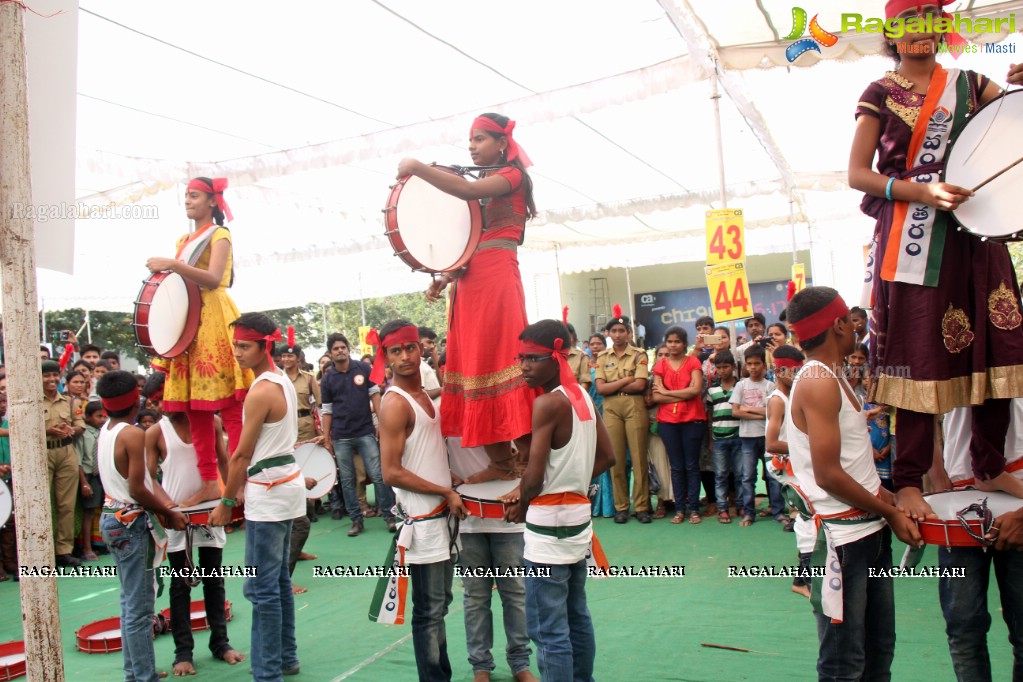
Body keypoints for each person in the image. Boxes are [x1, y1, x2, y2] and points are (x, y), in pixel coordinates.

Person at [849, 0, 1023, 518]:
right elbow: (858, 174)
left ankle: (989, 465)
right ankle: (909, 481)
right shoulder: (879, 93)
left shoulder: (971, 83)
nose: (923, 30)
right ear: (892, 32)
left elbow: (1011, 128)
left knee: (998, 341)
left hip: (975, 237)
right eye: (911, 20)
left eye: (931, 18)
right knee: (917, 353)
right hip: (913, 240)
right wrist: (920, 193)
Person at [786, 286, 922, 681]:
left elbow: (855, 466)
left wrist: (897, 502)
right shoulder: (818, 380)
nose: (860, 326)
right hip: (846, 542)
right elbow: (828, 474)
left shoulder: (837, 376)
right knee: (844, 661)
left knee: (879, 650)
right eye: (852, 319)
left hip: (870, 532)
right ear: (839, 324)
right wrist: (891, 513)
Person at [400, 112, 537, 481]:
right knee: (474, 365)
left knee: (502, 362)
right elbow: (468, 239)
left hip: (496, 280)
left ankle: (527, 463)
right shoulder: (490, 179)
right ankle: (501, 462)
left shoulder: (512, 175)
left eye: (479, 139)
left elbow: (468, 191)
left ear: (502, 143)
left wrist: (417, 167)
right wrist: (445, 277)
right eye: (471, 140)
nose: (471, 147)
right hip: (470, 281)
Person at [506, 319, 615, 682]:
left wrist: (521, 504)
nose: (523, 366)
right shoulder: (581, 394)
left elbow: (533, 477)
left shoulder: (548, 405)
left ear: (556, 358)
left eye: (531, 358)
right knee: (576, 616)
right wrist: (574, 483)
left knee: (549, 629)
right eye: (520, 358)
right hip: (578, 523)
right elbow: (607, 458)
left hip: (547, 531)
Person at [146, 177, 253, 508]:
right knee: (194, 409)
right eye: (186, 196)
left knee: (231, 408)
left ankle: (239, 482)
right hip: (187, 322)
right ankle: (209, 482)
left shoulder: (220, 234)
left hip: (213, 321)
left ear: (211, 201)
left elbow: (216, 278)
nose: (188, 201)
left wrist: (173, 263)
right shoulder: (184, 239)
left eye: (194, 195)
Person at [210, 312, 305, 681]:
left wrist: (226, 502)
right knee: (277, 579)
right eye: (235, 345)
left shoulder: (262, 390)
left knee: (260, 587)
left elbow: (241, 455)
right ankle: (285, 657)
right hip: (284, 485)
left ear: (266, 345)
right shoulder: (280, 380)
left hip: (268, 491)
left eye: (245, 346)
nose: (237, 352)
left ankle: (267, 673)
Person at [377, 319, 469, 682]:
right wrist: (445, 490)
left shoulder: (425, 397)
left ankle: (439, 675)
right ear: (385, 357)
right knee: (430, 611)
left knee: (439, 605)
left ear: (422, 348)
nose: (405, 357)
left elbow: (426, 453)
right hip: (423, 521)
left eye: (410, 348)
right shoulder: (395, 404)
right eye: (395, 351)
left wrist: (450, 480)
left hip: (441, 517)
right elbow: (391, 472)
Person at [96, 370, 187, 682]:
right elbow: (137, 488)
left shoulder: (106, 430)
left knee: (129, 603)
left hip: (112, 517)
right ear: (136, 401)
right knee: (139, 608)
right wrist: (168, 512)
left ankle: (135, 673)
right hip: (130, 522)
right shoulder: (132, 434)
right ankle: (144, 677)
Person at [145, 404, 243, 675]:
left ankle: (220, 644)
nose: (161, 403)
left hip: (210, 509)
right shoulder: (156, 432)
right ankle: (183, 653)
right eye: (156, 399)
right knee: (180, 585)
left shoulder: (210, 421)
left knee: (214, 580)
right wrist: (167, 508)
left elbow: (223, 460)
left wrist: (231, 496)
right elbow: (149, 478)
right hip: (176, 513)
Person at [937, 400, 1023, 680]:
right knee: (962, 626)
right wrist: (936, 475)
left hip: (1019, 501)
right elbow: (922, 413)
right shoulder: (950, 356)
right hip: (957, 503)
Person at [448, 436, 538, 682]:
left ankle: (520, 663)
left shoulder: (508, 400)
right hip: (467, 516)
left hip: (508, 514)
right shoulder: (443, 406)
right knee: (476, 596)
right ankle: (480, 666)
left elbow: (531, 450)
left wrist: (522, 488)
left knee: (515, 593)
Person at [320, 332, 396, 535]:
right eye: (335, 349)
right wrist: (326, 438)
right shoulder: (327, 380)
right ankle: (356, 519)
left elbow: (375, 395)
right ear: (330, 353)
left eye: (342, 347)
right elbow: (326, 410)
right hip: (340, 436)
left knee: (378, 475)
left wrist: (382, 422)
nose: (340, 351)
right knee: (346, 480)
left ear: (348, 349)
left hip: (365, 432)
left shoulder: (363, 368)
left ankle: (389, 515)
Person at [595, 308, 651, 523]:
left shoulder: (639, 354)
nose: (618, 335)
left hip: (633, 406)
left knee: (638, 459)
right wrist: (626, 380)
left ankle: (642, 506)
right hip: (611, 408)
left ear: (629, 332)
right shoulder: (601, 357)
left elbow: (640, 384)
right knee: (616, 460)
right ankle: (621, 507)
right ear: (608, 333)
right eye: (614, 331)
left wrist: (616, 385)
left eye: (622, 330)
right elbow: (600, 389)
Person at [651, 326, 706, 524]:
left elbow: (696, 390)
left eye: (677, 342)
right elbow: (656, 395)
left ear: (684, 343)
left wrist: (667, 393)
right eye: (670, 341)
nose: (673, 345)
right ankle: (680, 509)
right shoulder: (661, 365)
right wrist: (672, 393)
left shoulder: (693, 361)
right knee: (676, 466)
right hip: (668, 422)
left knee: (691, 465)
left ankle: (694, 510)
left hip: (692, 419)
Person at [42, 359, 84, 566]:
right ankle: (41, 550)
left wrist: (70, 430)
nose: (51, 379)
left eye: (54, 375)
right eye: (46, 375)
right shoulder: (33, 402)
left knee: (66, 503)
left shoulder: (69, 401)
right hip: (43, 451)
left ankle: (63, 551)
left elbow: (80, 426)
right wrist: (48, 430)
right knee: (41, 503)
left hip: (66, 451)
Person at [729, 347, 777, 527]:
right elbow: (735, 412)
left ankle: (777, 510)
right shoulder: (741, 385)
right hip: (747, 437)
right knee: (747, 476)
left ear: (764, 365)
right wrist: (761, 412)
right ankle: (749, 513)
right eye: (750, 364)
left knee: (772, 476)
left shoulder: (769, 386)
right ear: (746, 366)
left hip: (767, 437)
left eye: (757, 363)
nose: (753, 367)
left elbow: (772, 413)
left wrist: (747, 409)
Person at [765, 345, 805, 534]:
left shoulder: (795, 395)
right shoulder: (778, 400)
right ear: (778, 372)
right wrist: (807, 448)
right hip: (783, 461)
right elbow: (771, 444)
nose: (797, 376)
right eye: (794, 372)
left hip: (796, 458)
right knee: (805, 510)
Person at [706, 350, 740, 524]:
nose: (722, 371)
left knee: (740, 473)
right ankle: (722, 509)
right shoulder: (712, 390)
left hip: (739, 436)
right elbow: (710, 416)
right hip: (719, 438)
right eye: (718, 367)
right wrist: (711, 438)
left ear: (733, 367)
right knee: (720, 475)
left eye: (725, 367)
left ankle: (741, 505)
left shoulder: (741, 387)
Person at [586, 334, 614, 518]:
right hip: (587, 415)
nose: (595, 346)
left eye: (599, 343)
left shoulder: (609, 365)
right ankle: (592, 503)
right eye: (592, 344)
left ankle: (609, 505)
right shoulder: (585, 365)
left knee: (607, 455)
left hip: (608, 413)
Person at [76, 401, 105, 561]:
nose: (102, 419)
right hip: (88, 476)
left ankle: (100, 543)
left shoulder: (103, 433)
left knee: (101, 510)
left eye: (103, 416)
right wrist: (83, 483)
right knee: (88, 512)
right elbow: (78, 460)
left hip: (101, 475)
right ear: (87, 417)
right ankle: (86, 548)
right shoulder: (83, 434)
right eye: (98, 416)